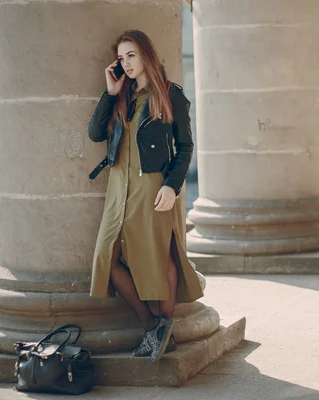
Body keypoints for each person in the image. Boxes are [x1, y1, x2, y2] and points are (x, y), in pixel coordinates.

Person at [87, 30, 203, 363]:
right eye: (122, 58)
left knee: (159, 255)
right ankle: (154, 326)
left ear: (146, 55)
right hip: (118, 187)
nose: (127, 63)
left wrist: (172, 184)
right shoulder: (120, 95)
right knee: (106, 259)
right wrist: (110, 93)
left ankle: (160, 328)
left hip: (152, 186)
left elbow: (185, 146)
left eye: (132, 55)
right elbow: (95, 133)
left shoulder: (170, 94)